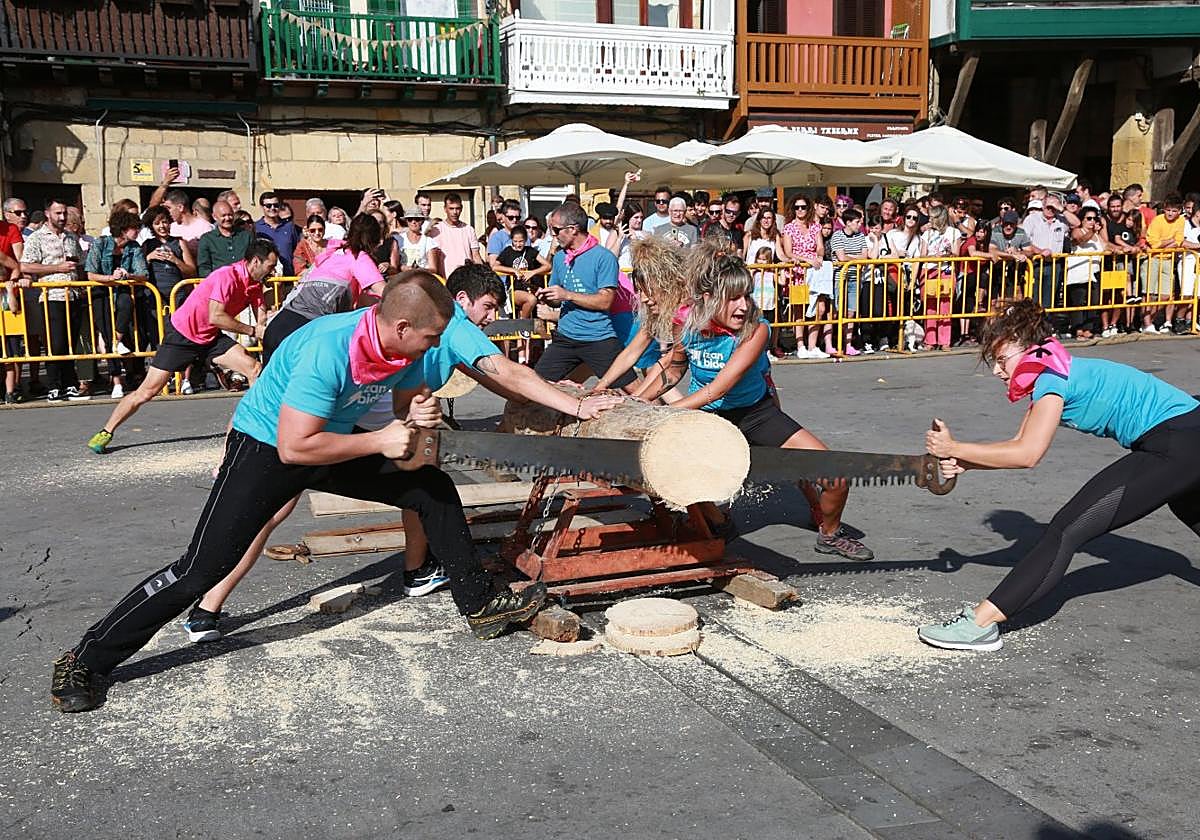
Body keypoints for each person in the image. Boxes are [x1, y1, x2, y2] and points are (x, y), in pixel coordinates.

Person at [51, 273, 560, 713]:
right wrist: (381, 440)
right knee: (200, 569)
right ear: (402, 327)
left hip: (330, 440)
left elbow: (404, 403)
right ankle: (85, 659)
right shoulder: (329, 348)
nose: (434, 347)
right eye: (430, 338)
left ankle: (481, 604)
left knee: (430, 486)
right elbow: (295, 448)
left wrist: (415, 414)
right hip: (268, 448)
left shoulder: (402, 344)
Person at [177, 266, 622, 642]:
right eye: (487, 307)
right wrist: (577, 408)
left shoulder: (436, 324)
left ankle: (209, 609)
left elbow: (498, 381)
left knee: (419, 485)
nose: (490, 319)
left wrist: (552, 394)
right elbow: (504, 371)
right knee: (279, 507)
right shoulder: (453, 325)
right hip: (364, 423)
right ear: (460, 301)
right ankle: (207, 602)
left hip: (374, 416)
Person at [918, 298, 1200, 652]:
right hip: (1188, 436)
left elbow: (1028, 455)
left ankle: (980, 624)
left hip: (1174, 443)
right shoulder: (1054, 367)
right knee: (1188, 507)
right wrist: (966, 461)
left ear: (1026, 346)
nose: (996, 371)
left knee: (1066, 531)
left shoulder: (1051, 380)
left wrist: (954, 447)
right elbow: (1017, 444)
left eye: (1001, 359)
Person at [633, 241, 873, 562]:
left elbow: (718, 389)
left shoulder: (756, 330)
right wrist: (635, 402)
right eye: (733, 298)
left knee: (836, 476)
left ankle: (830, 534)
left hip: (756, 414)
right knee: (675, 468)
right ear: (708, 298)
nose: (743, 306)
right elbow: (674, 369)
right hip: (711, 418)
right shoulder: (686, 325)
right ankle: (717, 522)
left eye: (746, 295)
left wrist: (662, 413)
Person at [86, 240, 275, 454]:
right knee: (147, 392)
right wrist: (252, 331)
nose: (272, 271)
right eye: (270, 266)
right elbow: (216, 316)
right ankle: (106, 431)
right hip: (182, 336)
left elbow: (261, 319)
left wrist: (266, 324)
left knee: (254, 369)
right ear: (256, 262)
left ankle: (254, 428)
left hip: (210, 338)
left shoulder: (255, 284)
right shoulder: (227, 276)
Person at [533, 202, 637, 390]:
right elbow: (557, 299)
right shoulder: (560, 257)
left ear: (573, 229)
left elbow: (605, 301)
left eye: (556, 230)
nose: (553, 236)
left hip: (597, 337)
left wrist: (567, 295)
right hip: (565, 337)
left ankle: (661, 410)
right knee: (533, 386)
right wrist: (548, 296)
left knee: (636, 391)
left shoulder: (603, 257)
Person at [262, 213, 388, 362]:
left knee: (265, 377)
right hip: (302, 333)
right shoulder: (358, 257)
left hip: (277, 327)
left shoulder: (331, 253)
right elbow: (386, 293)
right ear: (373, 239)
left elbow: (362, 301)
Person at [20, 198, 87, 401]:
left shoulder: (71, 237)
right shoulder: (37, 237)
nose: (62, 217)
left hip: (73, 294)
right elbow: (26, 265)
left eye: (64, 213)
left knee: (70, 341)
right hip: (52, 295)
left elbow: (80, 263)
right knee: (55, 342)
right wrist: (56, 268)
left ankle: (70, 384)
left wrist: (82, 284)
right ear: (47, 213)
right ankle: (54, 385)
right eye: (58, 213)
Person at [84, 210, 150, 399]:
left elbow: (143, 273)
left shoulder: (134, 247)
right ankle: (116, 381)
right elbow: (90, 274)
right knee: (106, 332)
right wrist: (110, 278)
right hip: (101, 293)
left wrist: (130, 275)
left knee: (126, 305)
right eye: (134, 228)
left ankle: (117, 341)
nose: (137, 231)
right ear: (123, 229)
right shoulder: (101, 243)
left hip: (122, 291)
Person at [1142, 194, 1186, 334]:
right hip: (1153, 259)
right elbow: (1153, 243)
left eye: (1174, 211)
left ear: (1179, 211)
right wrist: (1170, 241)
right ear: (1164, 209)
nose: (1171, 213)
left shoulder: (1181, 221)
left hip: (1168, 260)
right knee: (1149, 294)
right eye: (1168, 210)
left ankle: (1151, 320)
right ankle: (1147, 323)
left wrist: (1166, 243)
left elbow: (1179, 240)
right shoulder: (1158, 220)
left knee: (1166, 295)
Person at [493, 224, 549, 320]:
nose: (518, 244)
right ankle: (523, 323)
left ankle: (525, 322)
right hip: (514, 289)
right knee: (531, 299)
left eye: (521, 241)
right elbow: (495, 266)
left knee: (540, 301)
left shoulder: (530, 251)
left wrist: (533, 272)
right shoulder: (508, 252)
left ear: (525, 240)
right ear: (511, 240)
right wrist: (513, 270)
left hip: (530, 288)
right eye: (515, 241)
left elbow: (547, 265)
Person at [196, 200, 254, 279]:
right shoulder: (207, 239)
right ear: (214, 217)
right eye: (223, 216)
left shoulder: (246, 235)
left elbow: (253, 260)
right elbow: (204, 267)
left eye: (230, 215)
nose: (227, 218)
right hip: (219, 282)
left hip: (244, 281)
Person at [430, 192, 482, 276]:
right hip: (445, 279)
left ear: (461, 209)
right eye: (451, 208)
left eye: (457, 208)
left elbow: (476, 255)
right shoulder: (436, 230)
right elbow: (434, 258)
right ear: (445, 209)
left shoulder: (469, 229)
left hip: (467, 277)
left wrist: (481, 273)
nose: (455, 212)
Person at [255, 191, 302, 275]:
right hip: (264, 277)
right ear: (262, 207)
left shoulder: (289, 226)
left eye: (276, 205)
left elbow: (297, 251)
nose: (272, 208)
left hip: (288, 277)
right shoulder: (256, 227)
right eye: (268, 206)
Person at [164, 189, 213, 256]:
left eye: (169, 208)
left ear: (180, 207)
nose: (167, 212)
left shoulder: (204, 227)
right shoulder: (171, 228)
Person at [398, 209, 443, 275]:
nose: (413, 222)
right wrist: (403, 268)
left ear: (422, 221)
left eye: (417, 219)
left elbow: (433, 269)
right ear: (406, 221)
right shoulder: (399, 239)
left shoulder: (429, 241)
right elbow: (394, 264)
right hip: (402, 277)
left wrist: (419, 270)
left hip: (422, 277)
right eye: (410, 219)